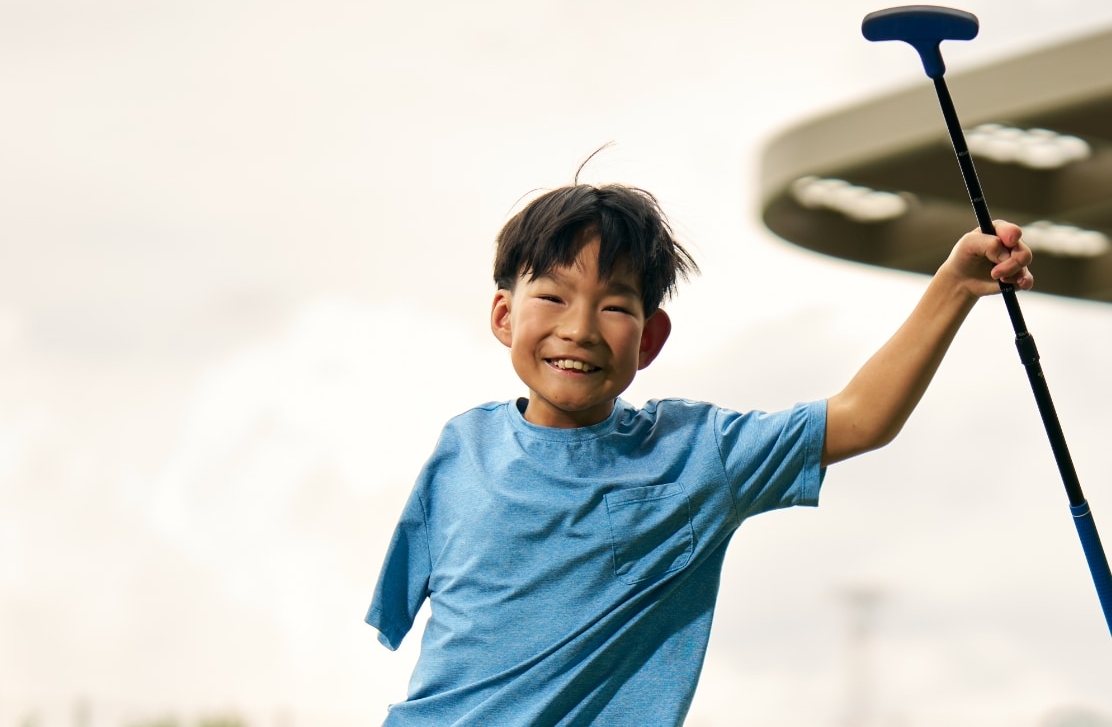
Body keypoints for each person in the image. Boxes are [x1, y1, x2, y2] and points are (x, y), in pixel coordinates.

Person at [365, 181, 1033, 726]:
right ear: (504, 315)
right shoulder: (460, 446)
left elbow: (860, 418)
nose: (578, 328)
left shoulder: (697, 455)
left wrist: (953, 286)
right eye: (552, 296)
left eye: (614, 306)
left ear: (650, 339)